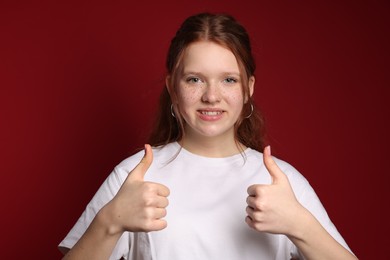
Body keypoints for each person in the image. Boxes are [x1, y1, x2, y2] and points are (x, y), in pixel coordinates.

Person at [58, 13, 357, 259]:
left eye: (228, 79)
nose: (211, 96)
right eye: (194, 79)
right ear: (172, 87)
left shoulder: (283, 183)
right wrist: (109, 222)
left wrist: (301, 225)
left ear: (248, 88)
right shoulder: (133, 176)